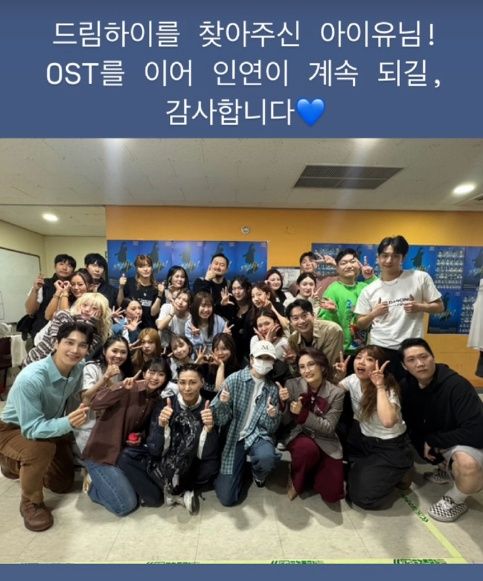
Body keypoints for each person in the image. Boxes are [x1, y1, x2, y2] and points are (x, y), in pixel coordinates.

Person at [0, 321, 93, 531]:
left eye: (82, 345)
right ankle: (30, 502)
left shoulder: (78, 368)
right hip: (12, 429)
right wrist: (67, 423)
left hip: (48, 423)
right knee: (41, 448)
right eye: (69, 342)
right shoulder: (31, 378)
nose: (75, 350)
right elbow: (31, 429)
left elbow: (73, 402)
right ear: (56, 343)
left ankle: (16, 466)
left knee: (61, 484)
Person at [399, 338, 483, 522]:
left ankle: (456, 499)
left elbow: (478, 432)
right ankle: (445, 468)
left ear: (433, 357)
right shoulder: (407, 386)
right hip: (442, 438)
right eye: (412, 360)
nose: (420, 363)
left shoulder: (457, 386)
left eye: (424, 357)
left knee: (468, 467)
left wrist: (434, 441)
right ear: (404, 366)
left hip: (469, 440)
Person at [119, 363, 220, 513]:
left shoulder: (209, 407)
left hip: (192, 464)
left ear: (202, 383)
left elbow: (207, 455)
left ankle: (176, 488)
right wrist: (161, 426)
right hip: (166, 460)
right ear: (177, 383)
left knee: (211, 466)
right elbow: (155, 450)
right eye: (182, 382)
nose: (187, 388)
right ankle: (175, 489)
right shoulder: (164, 404)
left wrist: (209, 429)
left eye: (192, 382)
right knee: (127, 456)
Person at [82, 358, 169, 516]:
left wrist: (139, 435)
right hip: (101, 456)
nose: (155, 378)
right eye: (151, 372)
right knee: (125, 506)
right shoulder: (128, 387)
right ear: (144, 373)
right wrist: (121, 388)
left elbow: (144, 429)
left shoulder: (155, 399)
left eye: (161, 374)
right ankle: (92, 486)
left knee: (140, 495)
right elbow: (95, 404)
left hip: (121, 457)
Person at [354, 235, 443, 380]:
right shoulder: (369, 290)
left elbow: (439, 307)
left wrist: (419, 307)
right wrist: (373, 313)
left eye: (395, 256)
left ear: (403, 258)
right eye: (385, 255)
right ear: (378, 257)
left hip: (410, 348)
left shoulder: (420, 278)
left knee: (411, 388)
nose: (389, 260)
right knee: (381, 387)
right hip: (379, 347)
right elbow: (360, 323)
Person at [336, 345, 413, 509]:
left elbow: (388, 421)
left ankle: (402, 468)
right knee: (342, 476)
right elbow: (333, 393)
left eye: (369, 359)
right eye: (359, 357)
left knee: (361, 497)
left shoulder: (388, 388)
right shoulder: (352, 380)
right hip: (364, 439)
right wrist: (339, 376)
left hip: (390, 445)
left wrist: (379, 386)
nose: (361, 362)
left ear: (380, 365)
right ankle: (375, 469)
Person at [211, 340, 281, 506]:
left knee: (267, 458)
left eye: (268, 358)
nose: (263, 362)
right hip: (235, 436)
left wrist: (273, 415)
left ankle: (258, 474)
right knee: (227, 498)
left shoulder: (272, 389)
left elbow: (271, 429)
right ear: (251, 359)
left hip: (257, 435)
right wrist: (222, 404)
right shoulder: (234, 380)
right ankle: (236, 469)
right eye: (260, 357)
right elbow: (219, 420)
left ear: (273, 363)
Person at [278, 348, 345, 503]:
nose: (306, 370)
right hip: (298, 433)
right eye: (302, 367)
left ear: (322, 366)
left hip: (325, 439)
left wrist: (303, 414)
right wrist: (283, 404)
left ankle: (311, 469)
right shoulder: (292, 384)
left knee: (333, 494)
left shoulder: (336, 393)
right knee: (307, 450)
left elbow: (329, 427)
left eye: (311, 364)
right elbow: (286, 421)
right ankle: (296, 477)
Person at [24, 292, 111, 366]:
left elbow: (83, 353)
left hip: (62, 369)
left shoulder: (97, 333)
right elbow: (58, 346)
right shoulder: (63, 315)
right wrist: (84, 322)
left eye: (94, 308)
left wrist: (90, 324)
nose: (87, 309)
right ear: (79, 305)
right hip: (37, 360)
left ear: (101, 314)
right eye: (84, 305)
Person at [319, 249, 376, 357]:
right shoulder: (332, 290)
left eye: (353, 261)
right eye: (344, 263)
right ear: (337, 268)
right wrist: (332, 312)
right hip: (342, 350)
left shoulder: (364, 287)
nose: (349, 265)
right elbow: (324, 323)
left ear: (358, 265)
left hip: (365, 349)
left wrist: (370, 278)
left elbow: (382, 293)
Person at [24, 254, 76, 339]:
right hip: (42, 333)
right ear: (55, 266)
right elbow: (30, 311)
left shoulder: (75, 287)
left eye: (69, 266)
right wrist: (35, 290)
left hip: (67, 334)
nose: (64, 268)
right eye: (61, 264)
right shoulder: (43, 283)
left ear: (73, 270)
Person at [286, 299, 344, 368]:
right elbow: (298, 371)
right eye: (295, 318)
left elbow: (331, 366)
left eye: (304, 315)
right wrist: (293, 363)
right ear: (290, 322)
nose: (301, 321)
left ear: (313, 315)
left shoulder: (332, 330)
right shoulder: (293, 339)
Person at [117, 255, 163, 328]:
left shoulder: (157, 287)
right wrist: (121, 287)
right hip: (130, 327)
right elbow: (120, 304)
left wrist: (160, 294)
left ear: (151, 268)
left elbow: (153, 313)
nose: (146, 269)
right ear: (137, 269)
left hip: (149, 328)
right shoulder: (129, 283)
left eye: (148, 266)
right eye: (141, 266)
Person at [218, 276, 253, 365]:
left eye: (240, 288)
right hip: (232, 351)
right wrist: (222, 304)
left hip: (249, 351)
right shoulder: (229, 304)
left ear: (247, 289)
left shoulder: (253, 306)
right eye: (234, 289)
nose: (237, 292)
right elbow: (211, 314)